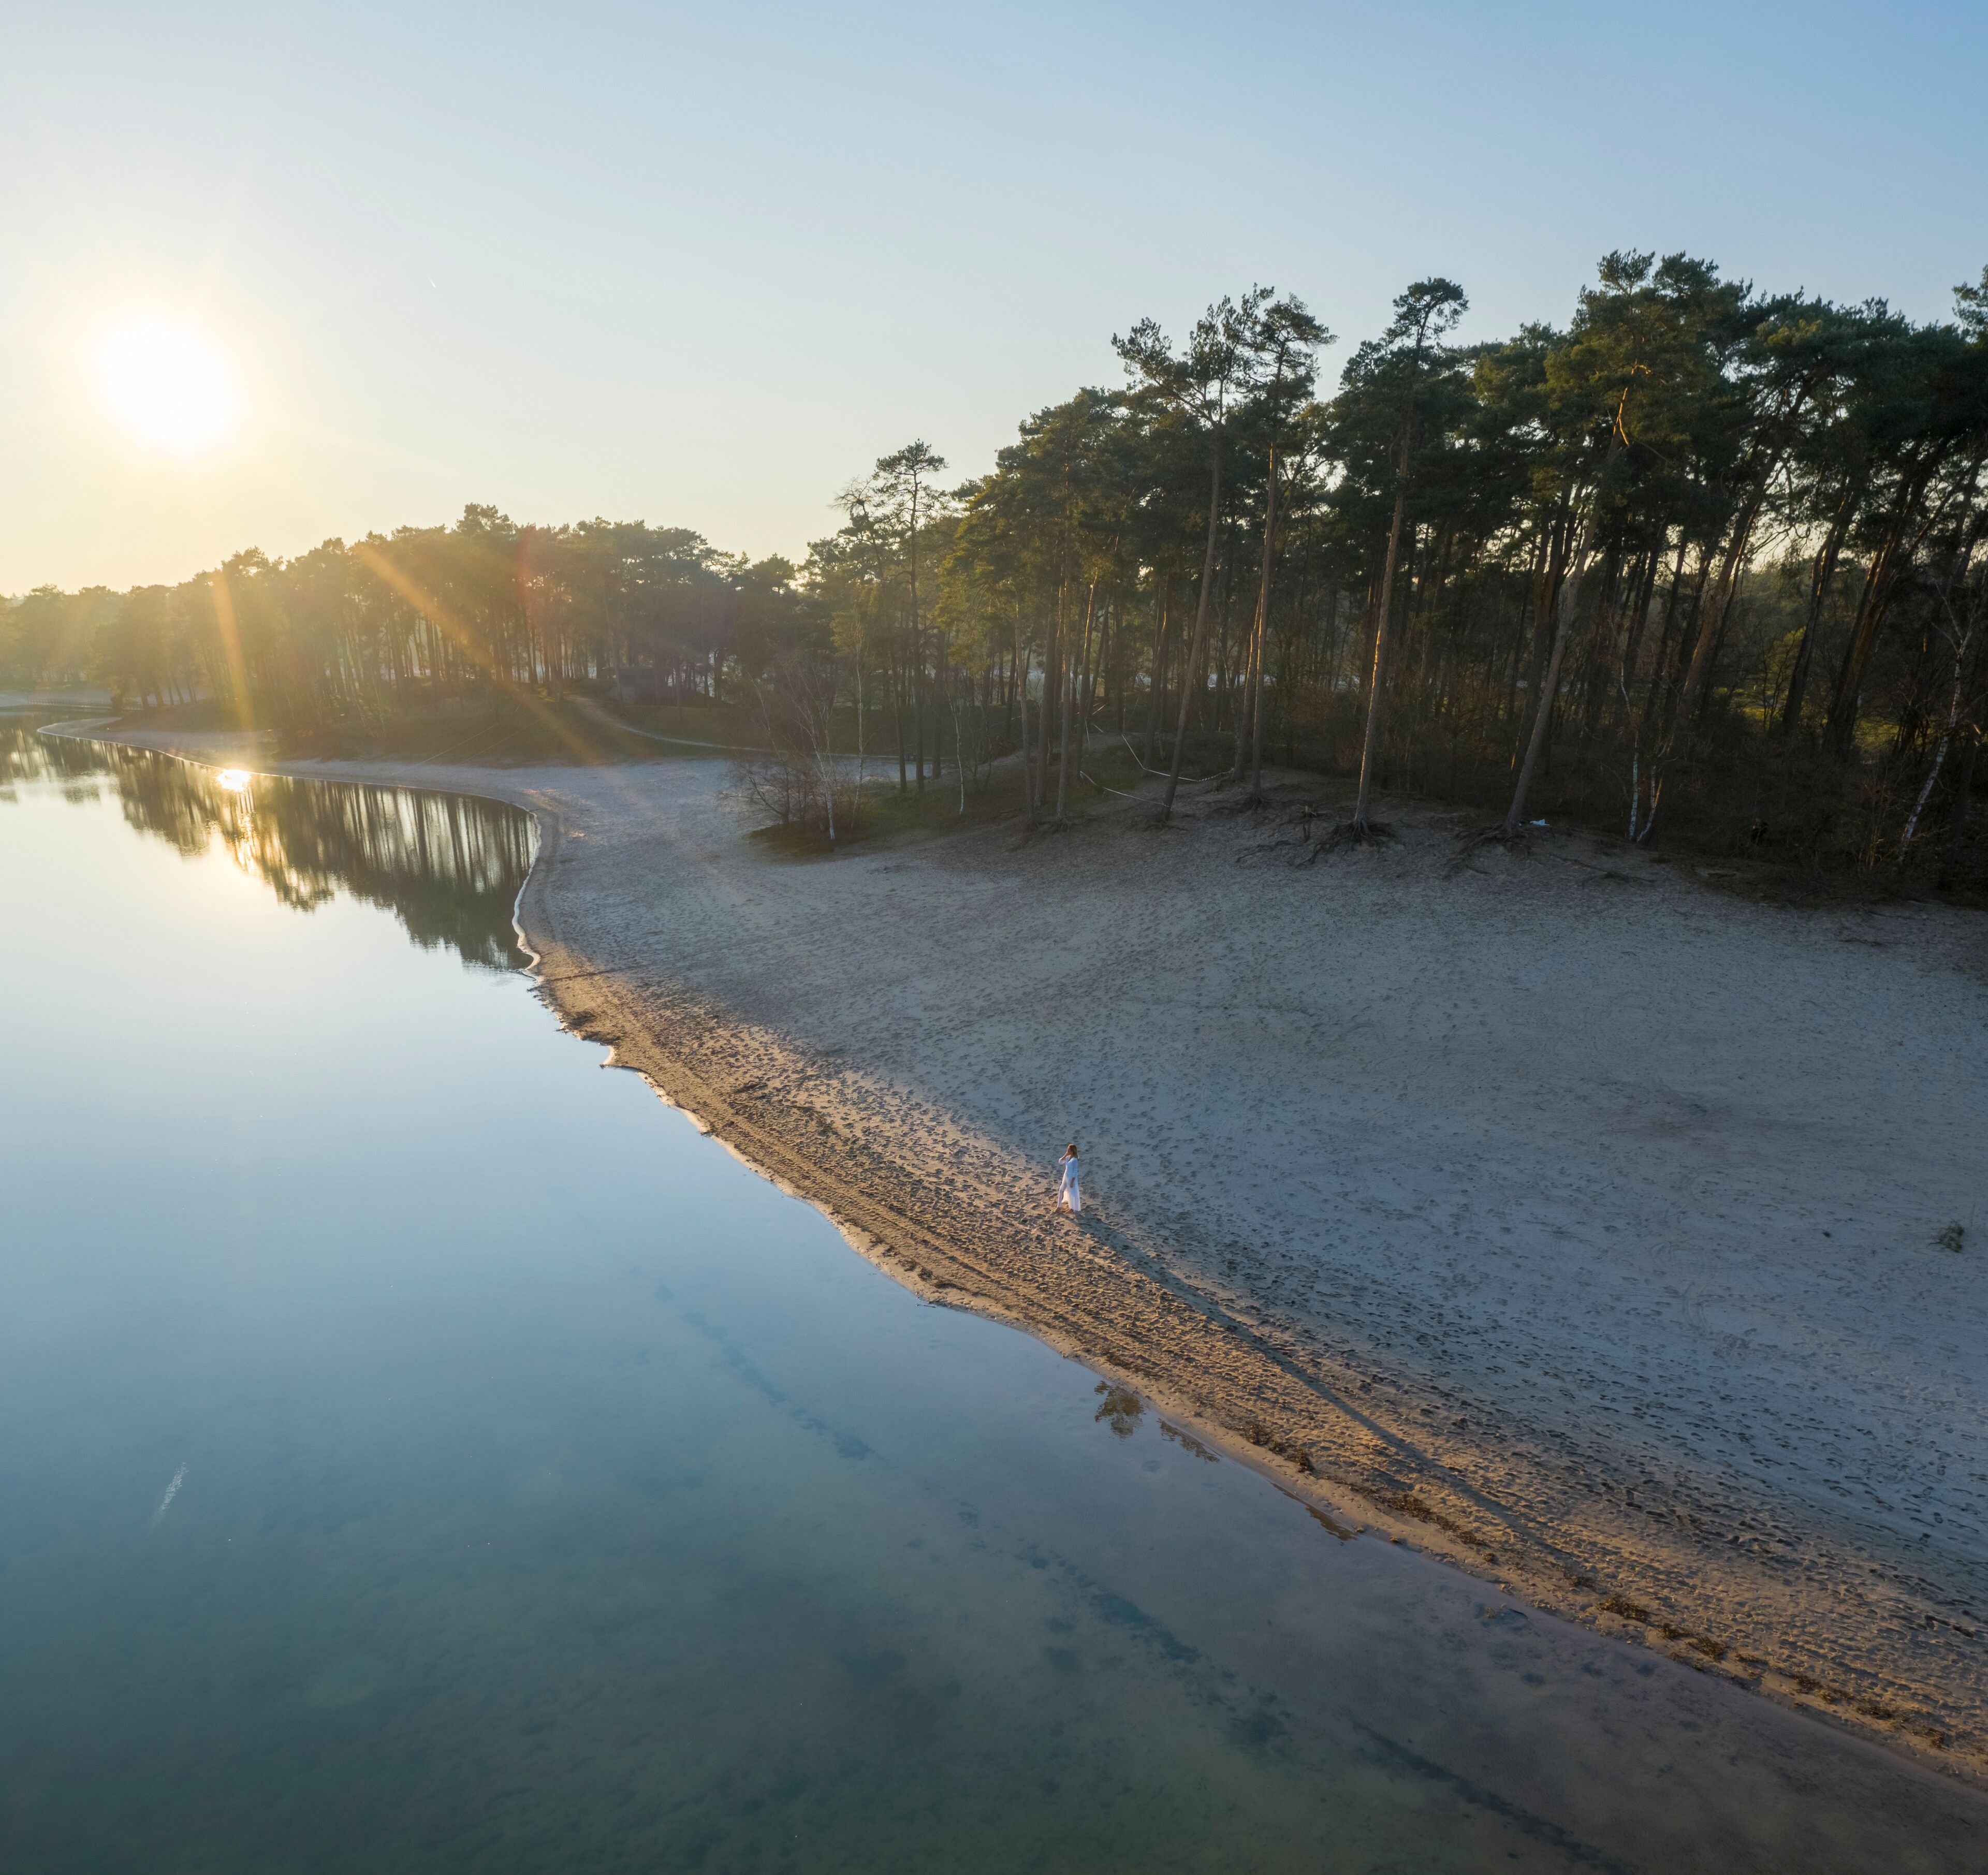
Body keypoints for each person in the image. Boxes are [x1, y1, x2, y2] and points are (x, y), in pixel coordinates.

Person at [1056, 1143, 1081, 1214]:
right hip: (1066, 1176)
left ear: (1071, 1151)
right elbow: (1060, 1162)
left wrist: (1072, 1182)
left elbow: (1076, 1171)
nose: (1067, 1151)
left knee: (1072, 1193)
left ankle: (1072, 1209)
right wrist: (1066, 1155)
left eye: (1068, 1150)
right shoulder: (1068, 1157)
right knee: (1061, 1190)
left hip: (1071, 1178)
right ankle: (1059, 1207)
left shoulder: (1075, 1160)